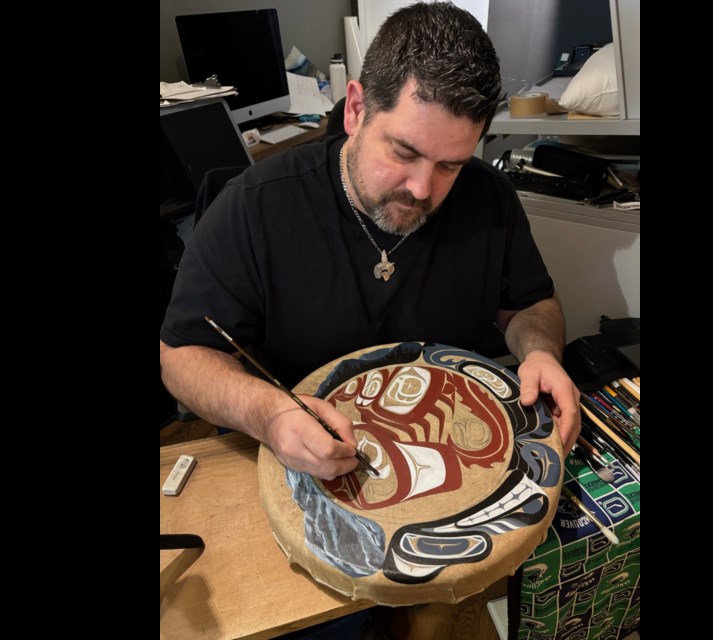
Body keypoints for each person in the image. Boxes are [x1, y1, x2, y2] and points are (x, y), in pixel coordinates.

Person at [160, 2, 580, 480]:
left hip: (447, 449)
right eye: (404, 151)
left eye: (450, 165)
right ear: (357, 109)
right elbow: (182, 356)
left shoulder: (490, 197)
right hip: (302, 459)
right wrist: (270, 414)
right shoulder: (255, 206)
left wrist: (541, 353)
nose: (422, 189)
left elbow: (530, 304)